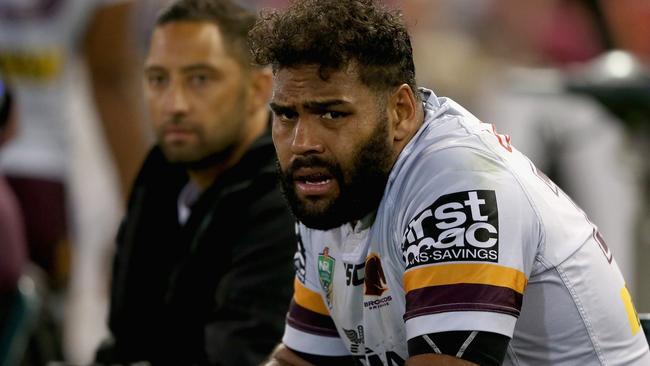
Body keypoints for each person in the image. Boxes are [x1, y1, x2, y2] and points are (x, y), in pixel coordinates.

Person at [248, 0, 650, 364]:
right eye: (286, 115)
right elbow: (301, 360)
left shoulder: (460, 187)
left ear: (401, 111)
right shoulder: (331, 185)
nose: (302, 142)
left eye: (332, 114)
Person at [95, 0, 296, 365]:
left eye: (199, 79)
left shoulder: (284, 197)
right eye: (158, 79)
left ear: (258, 90)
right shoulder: (163, 171)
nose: (174, 104)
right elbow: (125, 335)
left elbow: (238, 355)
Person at [0, 1, 149, 362]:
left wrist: (144, 224)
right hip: (45, 188)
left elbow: (111, 79)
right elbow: (111, 80)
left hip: (40, 182)